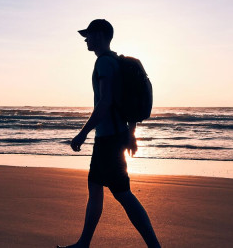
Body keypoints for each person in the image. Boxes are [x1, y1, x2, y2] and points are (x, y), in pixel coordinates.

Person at [59, 19, 161, 248]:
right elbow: (126, 103)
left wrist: (83, 133)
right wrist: (131, 134)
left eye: (89, 35)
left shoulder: (104, 63)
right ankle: (83, 243)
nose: (86, 40)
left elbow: (105, 103)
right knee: (97, 187)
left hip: (108, 139)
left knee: (122, 193)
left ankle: (154, 246)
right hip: (115, 136)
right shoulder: (116, 61)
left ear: (100, 35)